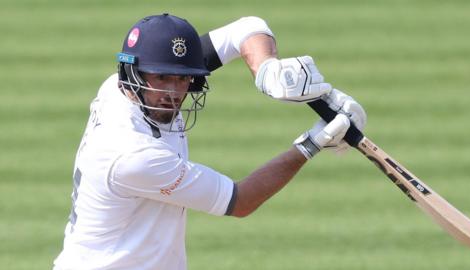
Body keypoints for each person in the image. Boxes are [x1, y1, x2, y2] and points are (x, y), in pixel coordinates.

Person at [53, 14, 366, 270]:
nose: (173, 93)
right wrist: (313, 143)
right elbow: (241, 201)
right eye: (161, 78)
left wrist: (268, 71)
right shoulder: (132, 156)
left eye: (182, 79)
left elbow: (247, 28)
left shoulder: (121, 87)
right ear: (133, 75)